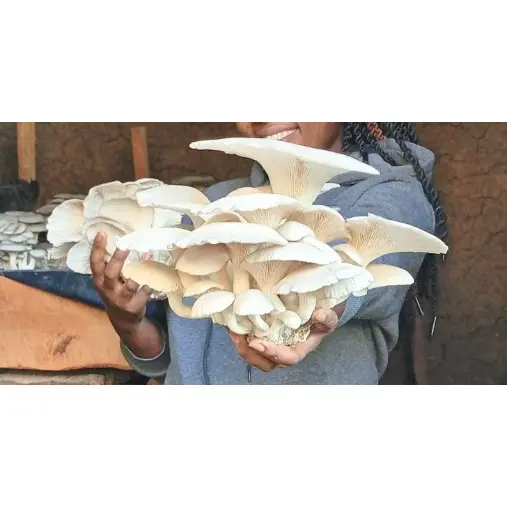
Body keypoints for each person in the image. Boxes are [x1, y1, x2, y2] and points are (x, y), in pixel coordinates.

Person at [90, 122, 448, 385]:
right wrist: (130, 324)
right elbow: (177, 353)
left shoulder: (393, 197)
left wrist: (319, 311)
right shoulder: (213, 206)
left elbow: (367, 269)